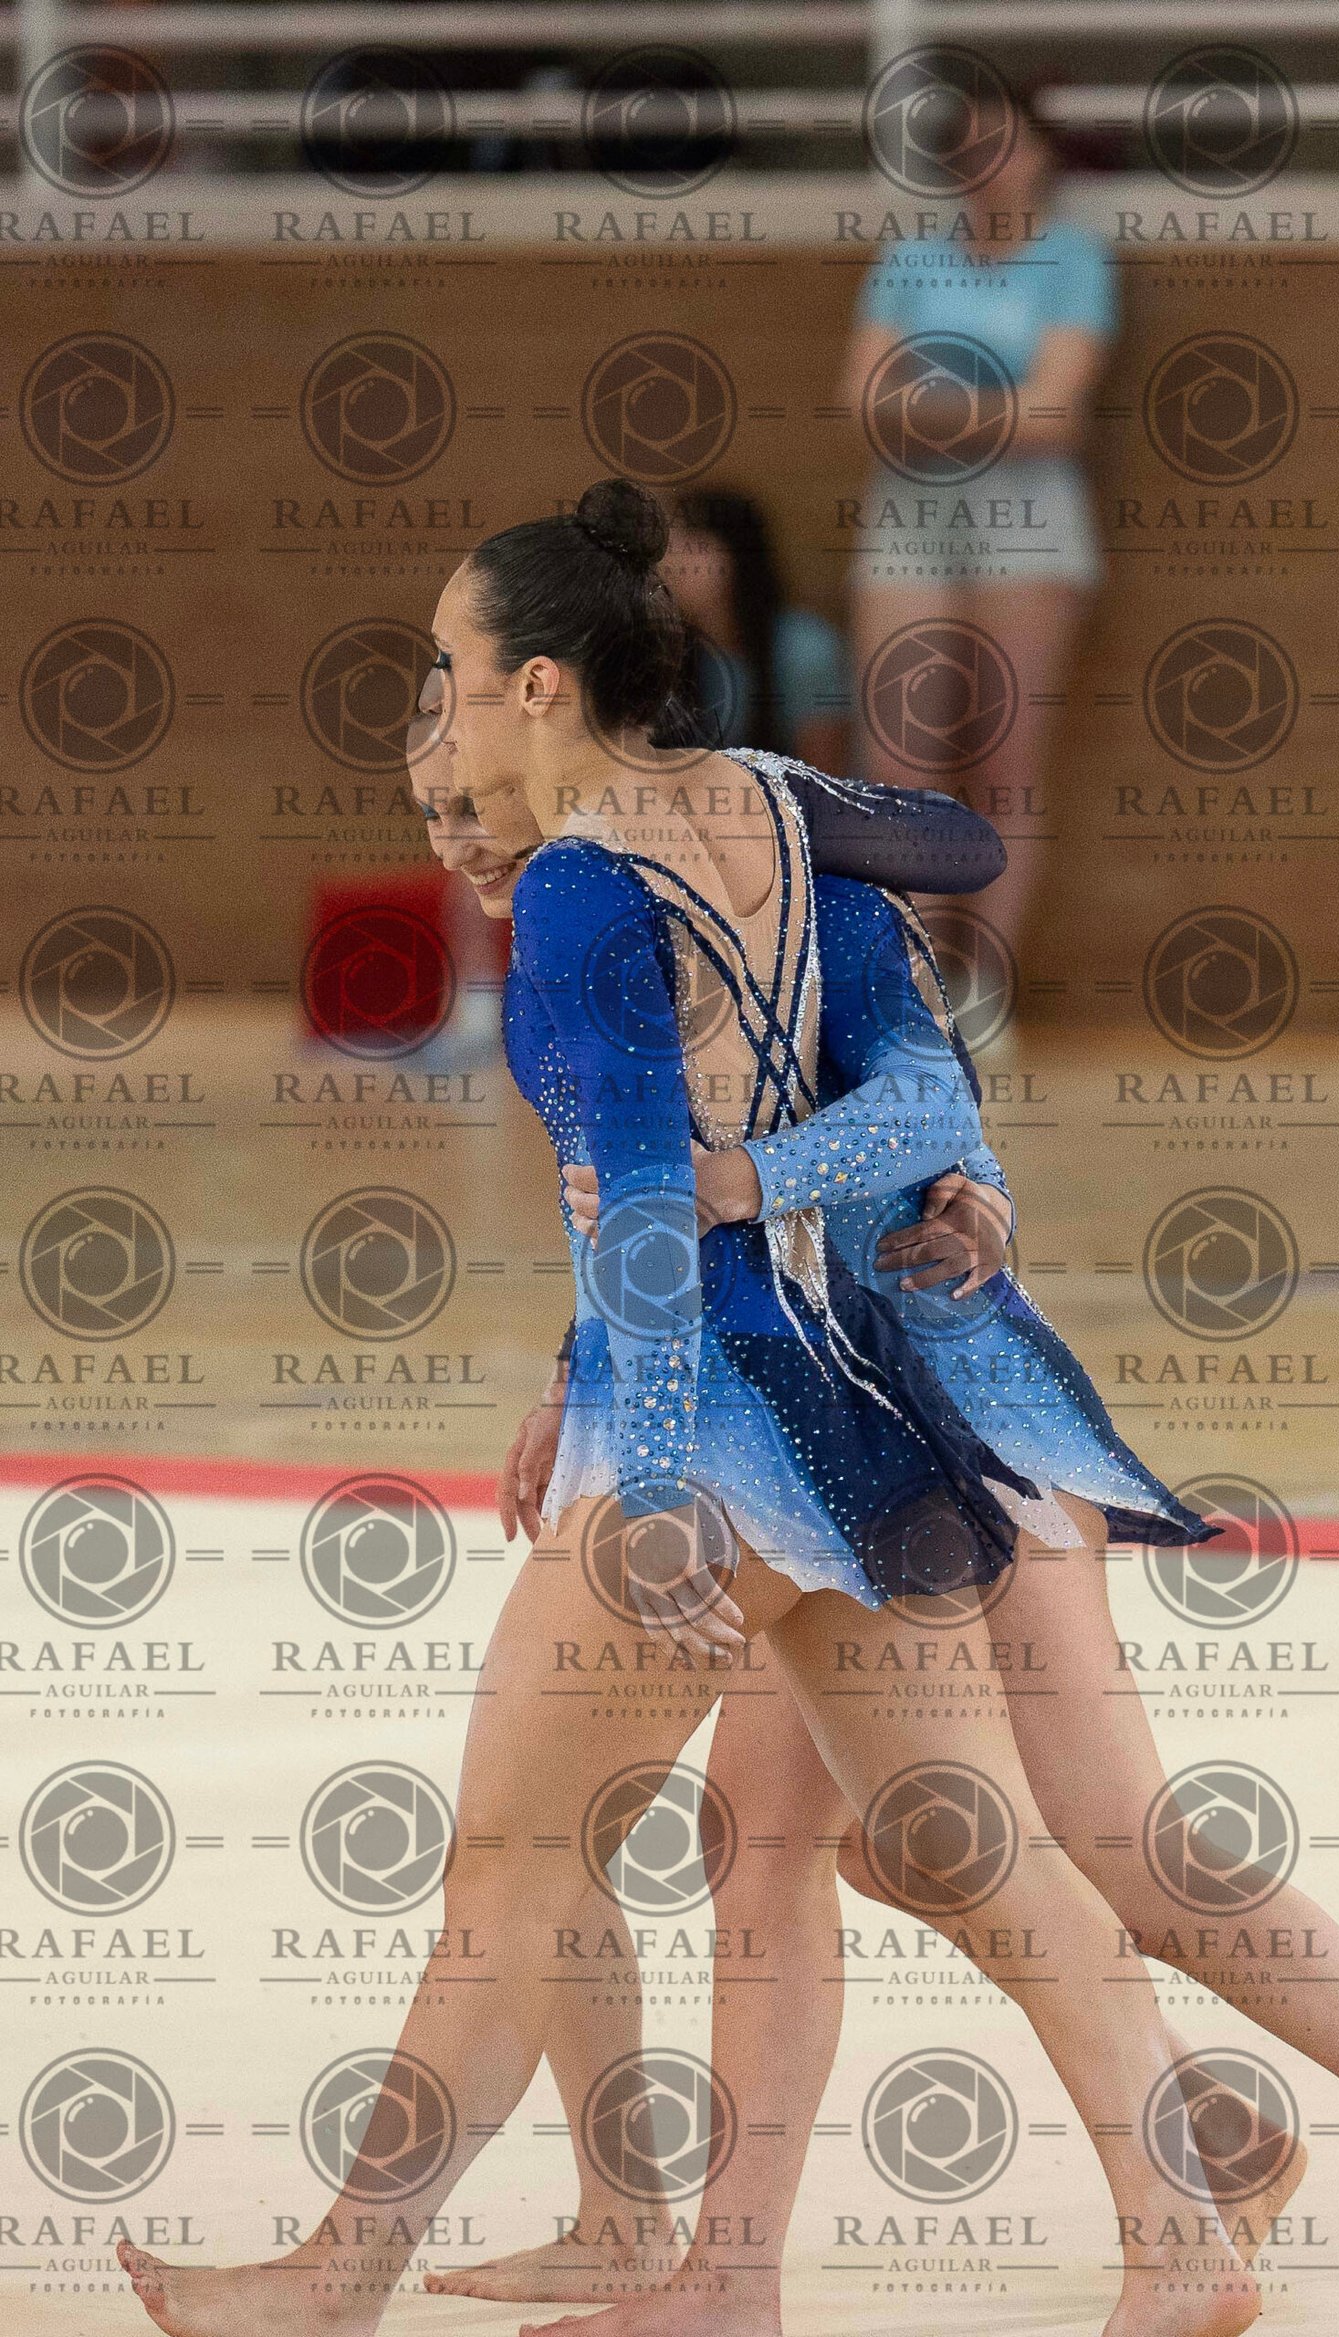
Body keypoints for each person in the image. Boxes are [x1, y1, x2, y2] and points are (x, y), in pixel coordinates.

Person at [117, 478, 1257, 2337]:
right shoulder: (781, 821)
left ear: (541, 685)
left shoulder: (582, 885)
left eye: (451, 667)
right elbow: (939, 975)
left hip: (712, 1432)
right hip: (855, 1419)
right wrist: (753, 1174)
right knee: (992, 1863)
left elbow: (649, 1201)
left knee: (513, 1860)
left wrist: (645, 1480)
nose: (439, 709)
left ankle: (336, 2280)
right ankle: (1183, 2240)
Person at [420, 749, 1339, 2333]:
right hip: (900, 1410)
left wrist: (772, 1186)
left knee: (891, 1846)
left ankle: (753, 2274)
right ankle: (1296, 2128)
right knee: (1014, 1843)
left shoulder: (798, 903)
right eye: (433, 809)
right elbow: (659, 1196)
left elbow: (906, 1110)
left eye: (476, 793)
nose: (461, 833)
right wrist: (590, 1368)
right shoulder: (649, 921)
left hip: (912, 1422)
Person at [841, 76, 1118, 997]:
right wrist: (1001, 409)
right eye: (969, 143)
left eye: (1006, 141)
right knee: (901, 760)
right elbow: (861, 402)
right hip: (911, 516)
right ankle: (909, 990)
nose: (987, 162)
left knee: (1007, 761)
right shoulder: (910, 260)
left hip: (1030, 523)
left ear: (1042, 157)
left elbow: (1057, 415)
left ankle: (985, 991)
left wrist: (927, 407)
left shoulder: (1073, 260)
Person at [661, 485, 852, 777]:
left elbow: (823, 782)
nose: (672, 564)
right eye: (669, 549)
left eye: (692, 547)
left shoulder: (805, 648)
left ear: (737, 554)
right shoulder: (670, 655)